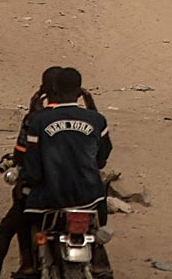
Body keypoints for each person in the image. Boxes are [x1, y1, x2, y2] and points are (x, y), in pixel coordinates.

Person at [22, 67, 113, 277]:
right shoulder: (97, 120)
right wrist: (92, 108)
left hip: (50, 196)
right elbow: (103, 157)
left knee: (27, 218)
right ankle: (98, 258)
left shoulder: (38, 121)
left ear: (53, 89)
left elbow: (33, 169)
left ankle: (28, 262)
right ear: (80, 92)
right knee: (99, 213)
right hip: (89, 197)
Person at [0, 66, 64, 279]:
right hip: (78, 192)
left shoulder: (35, 120)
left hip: (41, 191)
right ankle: (97, 263)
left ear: (45, 90)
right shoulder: (87, 117)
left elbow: (20, 155)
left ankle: (25, 263)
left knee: (7, 228)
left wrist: (32, 113)